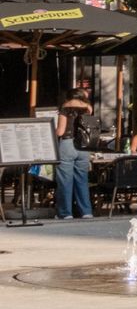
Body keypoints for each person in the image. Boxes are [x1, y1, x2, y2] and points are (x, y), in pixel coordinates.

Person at [48, 80, 96, 220]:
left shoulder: (65, 107)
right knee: (82, 179)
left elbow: (61, 131)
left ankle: (65, 212)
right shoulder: (88, 107)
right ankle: (86, 211)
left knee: (65, 181)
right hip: (83, 146)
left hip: (67, 144)